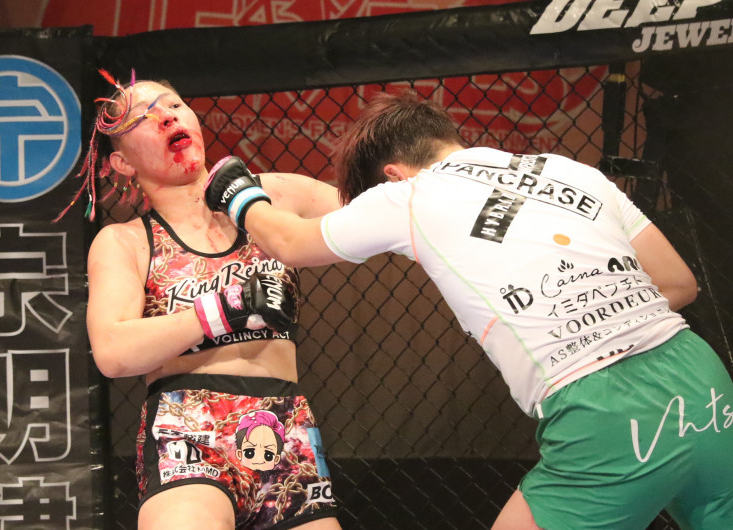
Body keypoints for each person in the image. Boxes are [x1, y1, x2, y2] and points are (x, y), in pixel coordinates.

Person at [203, 91, 733, 529]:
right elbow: (678, 282)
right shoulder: (572, 171)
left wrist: (235, 189)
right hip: (704, 381)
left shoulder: (411, 194)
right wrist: (595, 308)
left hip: (607, 409)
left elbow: (291, 242)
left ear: (393, 175)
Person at [65, 70, 342, 530]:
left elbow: (374, 215)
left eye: (173, 105)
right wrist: (226, 307)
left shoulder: (272, 195)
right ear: (122, 163)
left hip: (286, 425)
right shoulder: (125, 241)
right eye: (143, 118)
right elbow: (113, 351)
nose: (165, 117)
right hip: (188, 427)